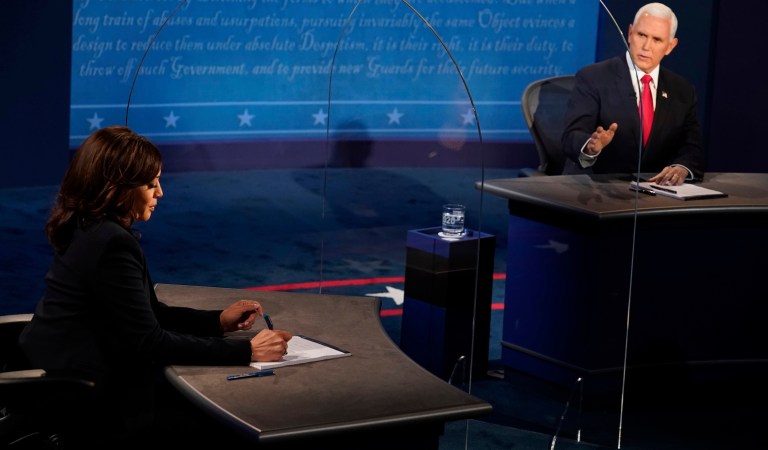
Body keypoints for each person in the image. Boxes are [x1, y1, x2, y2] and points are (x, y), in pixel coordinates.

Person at [18, 125, 293, 446]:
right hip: (87, 397)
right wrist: (248, 350)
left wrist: (216, 321)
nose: (160, 193)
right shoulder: (110, 243)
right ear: (116, 188)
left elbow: (146, 314)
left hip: (57, 373)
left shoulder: (86, 224)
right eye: (150, 184)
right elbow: (150, 342)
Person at [561, 2, 705, 186]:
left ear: (670, 46)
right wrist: (590, 145)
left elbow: (692, 146)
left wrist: (681, 168)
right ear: (630, 33)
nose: (646, 46)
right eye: (641, 35)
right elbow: (571, 136)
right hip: (596, 188)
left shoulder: (682, 90)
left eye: (657, 40)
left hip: (653, 195)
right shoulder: (593, 77)